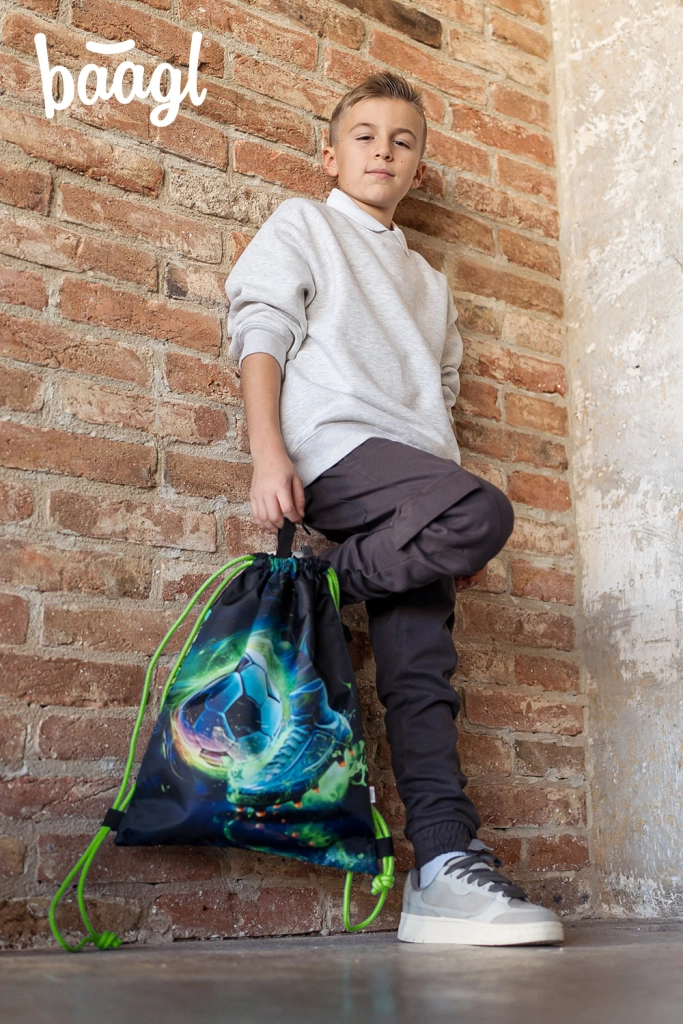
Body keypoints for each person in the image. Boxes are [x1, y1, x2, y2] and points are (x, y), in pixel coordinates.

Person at [224, 71, 563, 946]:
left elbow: (438, 396)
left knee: (422, 681)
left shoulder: (427, 282)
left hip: (414, 485)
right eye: (365, 135)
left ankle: (443, 867)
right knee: (485, 512)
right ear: (331, 156)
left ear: (416, 166)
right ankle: (328, 581)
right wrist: (268, 452)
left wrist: (438, 526)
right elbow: (260, 330)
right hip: (337, 453)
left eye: (402, 140)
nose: (383, 150)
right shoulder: (304, 224)